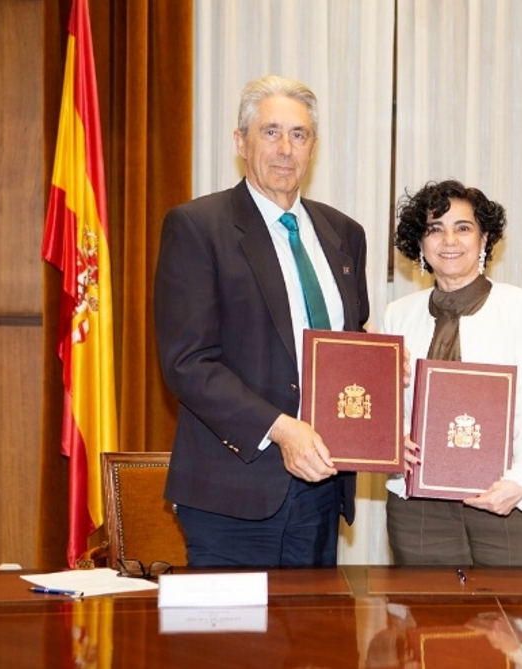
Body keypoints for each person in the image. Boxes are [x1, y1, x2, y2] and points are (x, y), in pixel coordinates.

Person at [154, 75, 369, 567]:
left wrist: (376, 368)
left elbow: (347, 341)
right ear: (241, 142)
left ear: (313, 146)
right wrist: (281, 429)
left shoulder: (344, 234)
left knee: (315, 622)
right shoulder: (197, 227)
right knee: (235, 623)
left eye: (299, 134)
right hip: (232, 495)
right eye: (270, 132)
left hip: (321, 491)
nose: (285, 149)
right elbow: (187, 363)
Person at [382, 179, 522, 567]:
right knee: (424, 607)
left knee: (517, 607)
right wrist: (392, 442)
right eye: (435, 229)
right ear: (420, 243)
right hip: (419, 510)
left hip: (505, 499)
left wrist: (521, 481)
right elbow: (389, 408)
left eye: (463, 228)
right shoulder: (398, 314)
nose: (449, 240)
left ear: (484, 240)